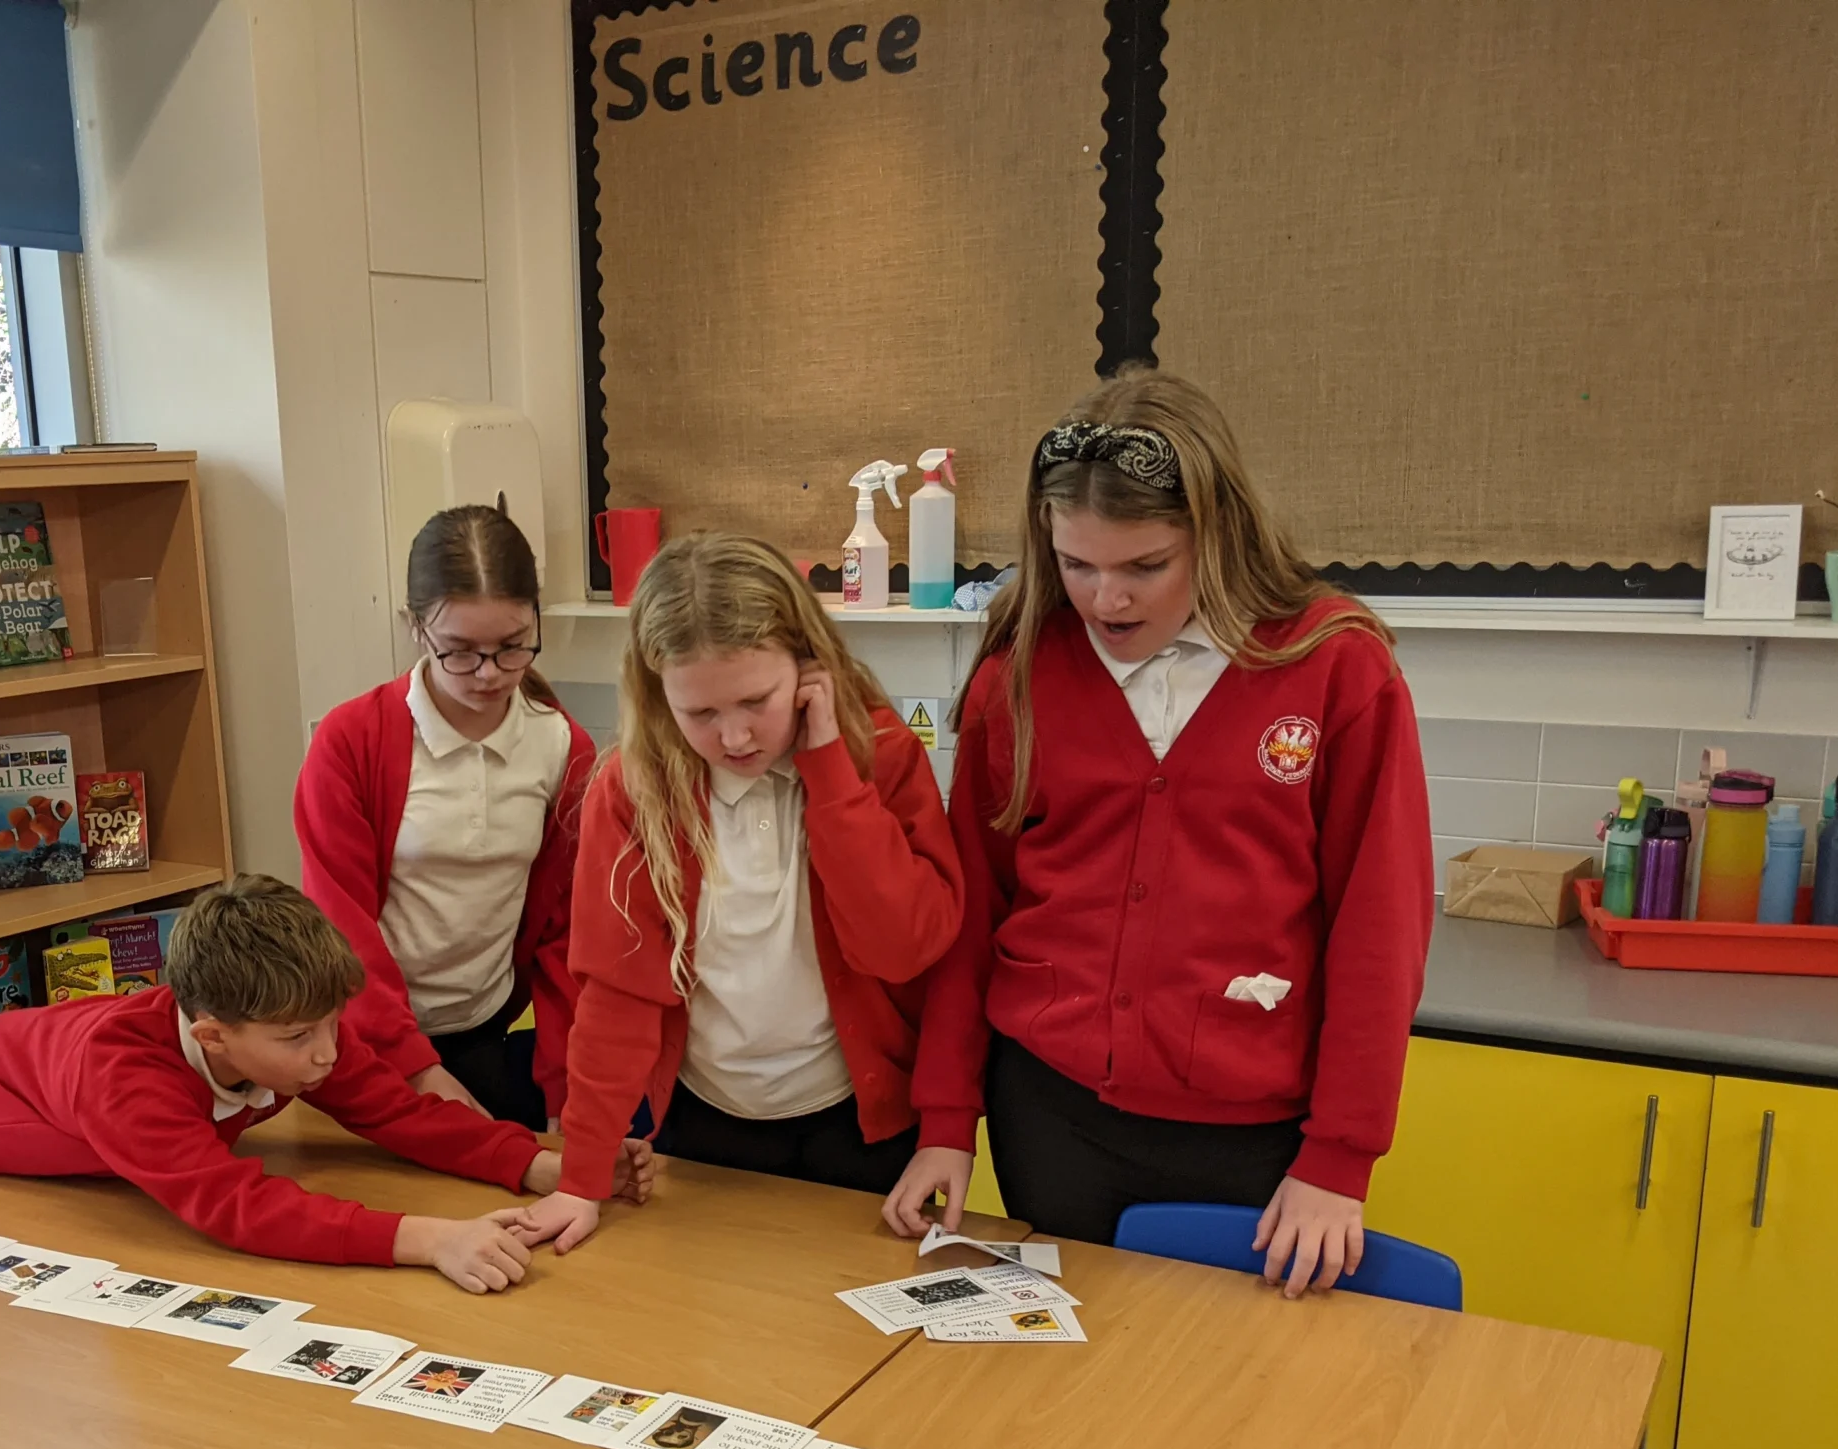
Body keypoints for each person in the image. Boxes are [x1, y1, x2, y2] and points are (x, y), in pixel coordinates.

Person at [880, 368, 1431, 1296]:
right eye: (1077, 565)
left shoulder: (1334, 668)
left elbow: (1380, 929)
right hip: (1050, 1114)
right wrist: (945, 1120)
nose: (1108, 600)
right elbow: (975, 911)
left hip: (1252, 1132)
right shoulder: (1018, 676)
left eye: (1145, 567)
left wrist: (1340, 1158)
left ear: (1217, 534)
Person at [516, 531, 963, 1252]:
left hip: (862, 1121)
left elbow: (905, 948)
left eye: (757, 700)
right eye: (700, 714)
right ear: (658, 694)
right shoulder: (634, 790)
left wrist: (830, 774)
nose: (734, 737)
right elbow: (617, 995)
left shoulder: (879, 756)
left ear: (808, 666)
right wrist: (581, 1177)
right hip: (706, 1119)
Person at [0, 875, 652, 1291]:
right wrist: (429, 1238)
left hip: (85, 1132)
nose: (328, 1053)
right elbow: (238, 1207)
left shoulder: (291, 1024)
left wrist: (549, 1167)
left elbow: (400, 1113)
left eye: (332, 1023)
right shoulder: (123, 1078)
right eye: (299, 1038)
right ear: (213, 1035)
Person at [296, 505, 595, 1128]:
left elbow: (567, 936)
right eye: (459, 651)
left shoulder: (563, 747)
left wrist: (568, 1092)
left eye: (511, 647)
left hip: (483, 1029)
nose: (489, 674)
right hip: (358, 1037)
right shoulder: (351, 741)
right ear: (415, 628)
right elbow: (340, 927)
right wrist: (415, 1069)